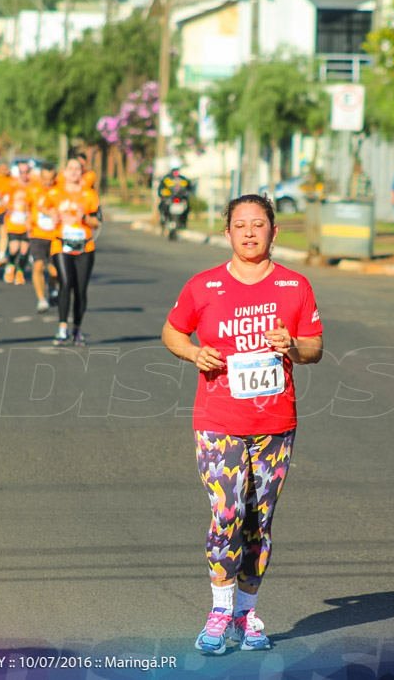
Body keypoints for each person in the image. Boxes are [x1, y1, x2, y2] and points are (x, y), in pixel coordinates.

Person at [161, 193, 324, 655]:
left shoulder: (295, 286)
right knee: (227, 514)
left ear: (274, 231)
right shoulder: (204, 285)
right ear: (227, 232)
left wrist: (292, 345)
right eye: (240, 224)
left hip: (275, 422)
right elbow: (172, 330)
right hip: (218, 420)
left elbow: (315, 349)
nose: (250, 232)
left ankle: (247, 614)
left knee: (259, 520)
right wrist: (194, 352)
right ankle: (219, 609)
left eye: (258, 224)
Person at [49, 158, 100, 345]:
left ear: (82, 172)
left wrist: (84, 217)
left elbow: (97, 223)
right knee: (65, 283)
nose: (73, 171)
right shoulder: (55, 192)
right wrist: (51, 216)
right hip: (61, 244)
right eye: (70, 168)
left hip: (84, 246)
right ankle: (62, 328)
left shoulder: (89, 194)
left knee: (80, 289)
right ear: (64, 171)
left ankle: (77, 329)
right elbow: (41, 210)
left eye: (77, 168)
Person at [29, 165, 60, 313]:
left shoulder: (60, 191)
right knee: (38, 266)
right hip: (38, 234)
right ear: (40, 177)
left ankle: (53, 287)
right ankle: (41, 299)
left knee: (54, 270)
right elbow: (26, 206)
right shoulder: (34, 190)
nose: (48, 182)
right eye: (45, 179)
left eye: (51, 179)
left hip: (56, 235)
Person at [3, 161, 36, 286]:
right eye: (21, 172)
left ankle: (20, 272)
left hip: (27, 222)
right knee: (14, 248)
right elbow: (4, 199)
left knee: (24, 249)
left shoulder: (33, 186)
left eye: (26, 172)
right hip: (14, 221)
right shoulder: (12, 184)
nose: (24, 174)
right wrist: (9, 208)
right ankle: (10, 266)